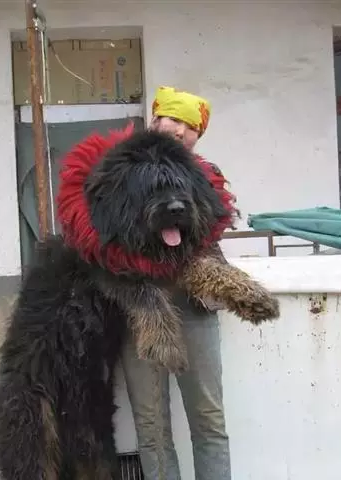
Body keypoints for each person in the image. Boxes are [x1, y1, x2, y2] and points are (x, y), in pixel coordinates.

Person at [121, 86, 232, 480]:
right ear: (155, 120)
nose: (182, 130)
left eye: (191, 126)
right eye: (174, 119)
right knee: (152, 427)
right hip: (141, 308)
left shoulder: (207, 175)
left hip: (195, 305)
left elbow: (213, 227)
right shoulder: (123, 172)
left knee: (209, 420)